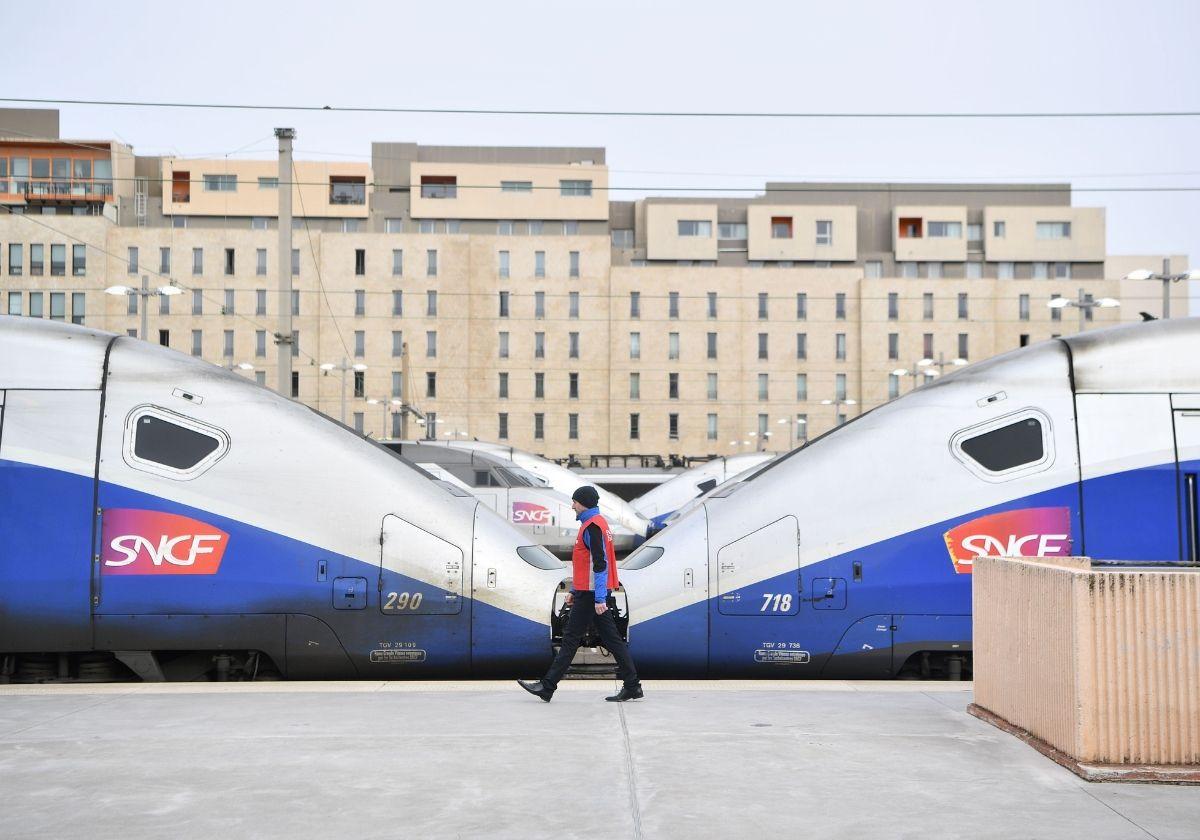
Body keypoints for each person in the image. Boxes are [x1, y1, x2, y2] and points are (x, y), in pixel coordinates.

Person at [518, 486, 643, 703]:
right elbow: (586, 565)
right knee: (612, 641)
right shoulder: (595, 524)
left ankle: (547, 687)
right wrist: (575, 591)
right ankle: (633, 686)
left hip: (592, 595)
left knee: (571, 640)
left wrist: (599, 599)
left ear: (583, 503)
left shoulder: (592, 527)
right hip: (587, 593)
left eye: (574, 502)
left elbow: (600, 564)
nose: (572, 506)